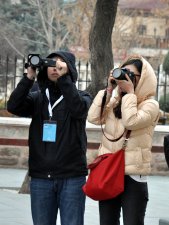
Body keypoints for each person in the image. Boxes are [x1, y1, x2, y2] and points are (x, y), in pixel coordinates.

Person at [7, 51, 92, 225]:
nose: (55, 67)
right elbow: (13, 106)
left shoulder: (83, 97)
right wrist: (29, 76)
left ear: (70, 69)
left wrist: (64, 79)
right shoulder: (38, 98)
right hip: (40, 178)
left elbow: (78, 109)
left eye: (61, 64)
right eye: (51, 64)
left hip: (72, 178)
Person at [87, 55, 160, 225]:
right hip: (109, 170)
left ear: (143, 79)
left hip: (133, 175)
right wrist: (108, 90)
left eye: (131, 74)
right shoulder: (115, 101)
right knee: (107, 221)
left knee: (132, 222)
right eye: (124, 72)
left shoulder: (150, 105)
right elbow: (93, 118)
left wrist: (130, 94)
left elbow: (131, 121)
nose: (126, 77)